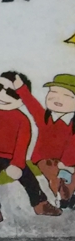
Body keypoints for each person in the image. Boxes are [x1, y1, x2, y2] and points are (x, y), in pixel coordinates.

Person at [0, 56, 61, 222]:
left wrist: (18, 164)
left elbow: (22, 143)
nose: (1, 94)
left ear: (20, 99)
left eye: (10, 92)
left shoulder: (22, 119)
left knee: (28, 177)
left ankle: (40, 203)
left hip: (12, 157)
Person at [14, 73, 75, 209]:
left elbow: (73, 145)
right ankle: (63, 196)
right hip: (45, 157)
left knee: (71, 177)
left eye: (67, 95)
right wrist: (20, 87)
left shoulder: (72, 124)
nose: (57, 98)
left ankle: (69, 195)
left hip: (68, 160)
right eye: (53, 92)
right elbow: (32, 104)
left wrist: (66, 164)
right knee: (54, 176)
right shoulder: (44, 118)